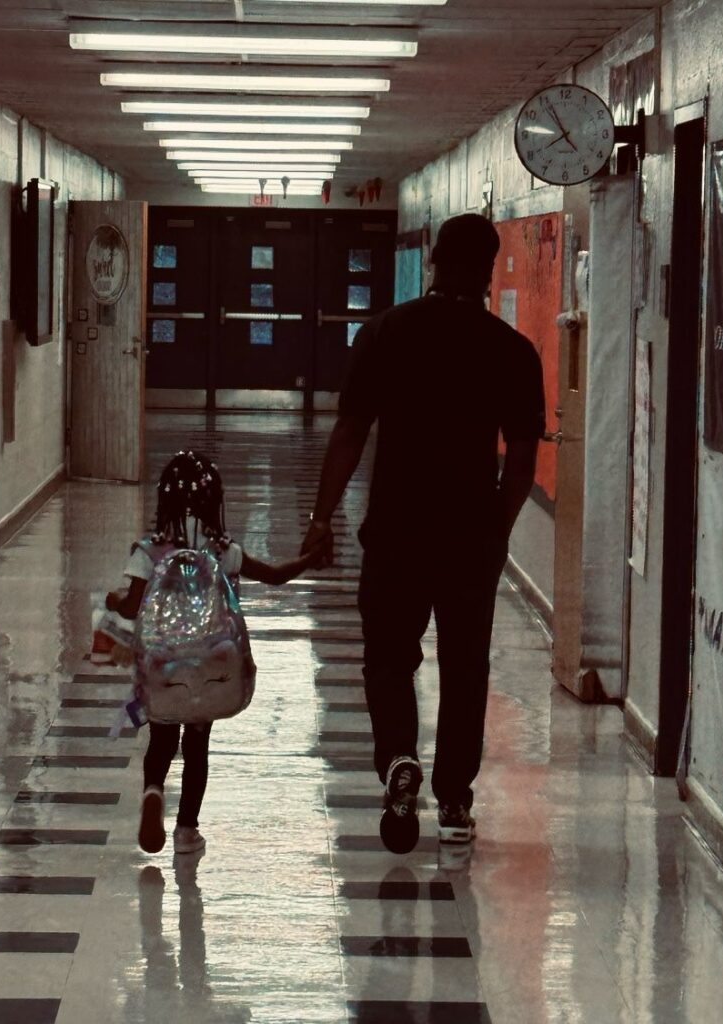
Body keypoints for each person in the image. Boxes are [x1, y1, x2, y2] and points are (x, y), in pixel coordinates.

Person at [301, 213, 545, 854]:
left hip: (396, 533)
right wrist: (497, 528)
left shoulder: (385, 333)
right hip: (470, 538)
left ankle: (398, 761)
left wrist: (321, 517)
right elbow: (521, 459)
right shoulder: (512, 351)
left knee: (387, 659)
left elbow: (350, 432)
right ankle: (456, 801)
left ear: (433, 260)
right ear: (489, 272)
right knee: (465, 668)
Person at [105, 449, 327, 856]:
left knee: (161, 740)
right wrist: (311, 557)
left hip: (162, 666)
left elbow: (133, 605)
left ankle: (154, 790)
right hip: (209, 666)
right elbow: (276, 577)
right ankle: (187, 831)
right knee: (197, 747)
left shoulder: (149, 551)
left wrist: (114, 600)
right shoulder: (223, 550)